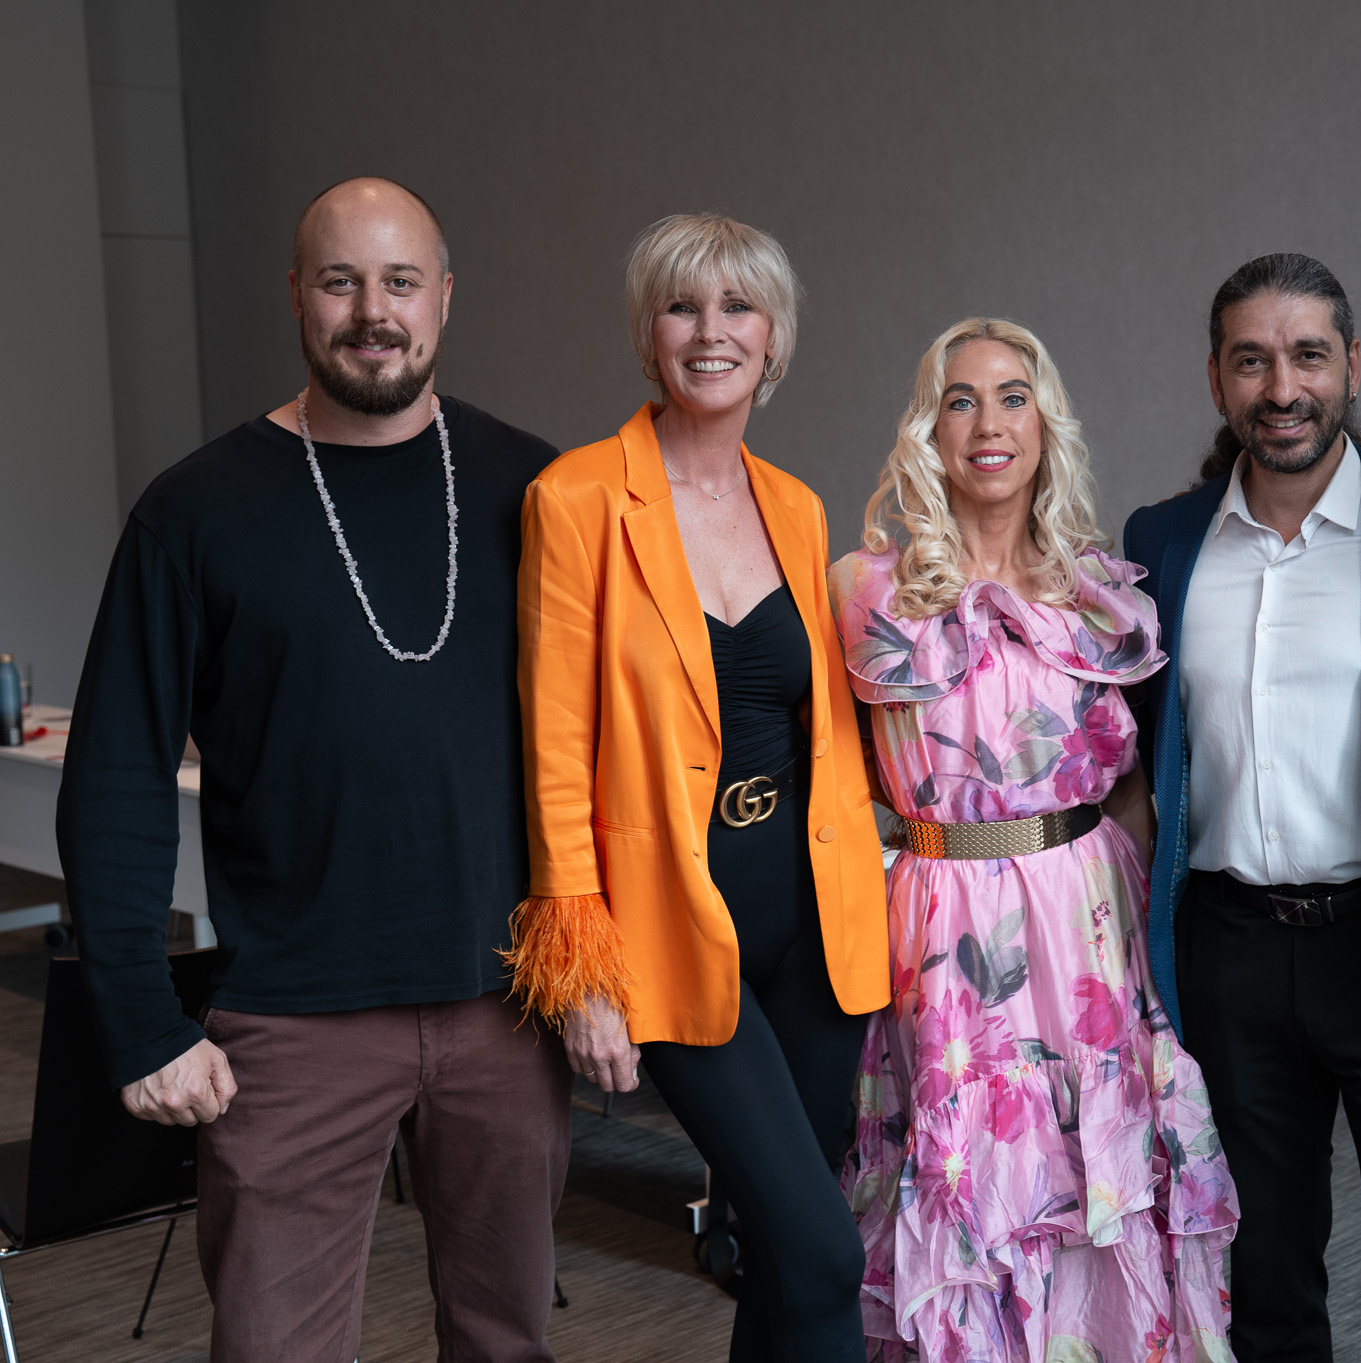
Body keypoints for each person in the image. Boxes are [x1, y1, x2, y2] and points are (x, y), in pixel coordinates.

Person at [56, 177, 568, 1361]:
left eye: (400, 281)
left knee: (507, 1341)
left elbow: (609, 744)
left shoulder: (537, 490)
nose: (373, 311)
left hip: (505, 1004)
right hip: (290, 1018)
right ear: (296, 295)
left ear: (444, 296)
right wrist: (136, 1015)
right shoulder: (194, 512)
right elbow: (119, 770)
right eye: (341, 281)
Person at [507, 212, 888, 1362]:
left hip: (814, 932)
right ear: (647, 333)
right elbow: (554, 748)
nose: (709, 331)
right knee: (826, 1254)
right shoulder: (576, 498)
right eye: (681, 306)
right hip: (669, 928)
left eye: (737, 307)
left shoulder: (796, 506)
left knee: (781, 1251)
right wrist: (583, 971)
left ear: (773, 339)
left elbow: (828, 729)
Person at [1117, 253, 1361, 1363]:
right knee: (1264, 1283)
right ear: (1215, 379)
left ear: (1351, 366)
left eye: (1306, 356)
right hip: (1229, 950)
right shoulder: (1160, 543)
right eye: (1251, 361)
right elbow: (1122, 745)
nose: (1281, 388)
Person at [834, 318, 1237, 1362]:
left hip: (1086, 919)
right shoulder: (866, 592)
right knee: (967, 1176)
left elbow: (1132, 789)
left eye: (1012, 397)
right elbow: (830, 779)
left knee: (1094, 1168)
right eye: (959, 400)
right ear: (929, 429)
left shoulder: (1097, 591)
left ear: (1044, 422)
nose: (988, 424)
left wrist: (1139, 950)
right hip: (942, 925)